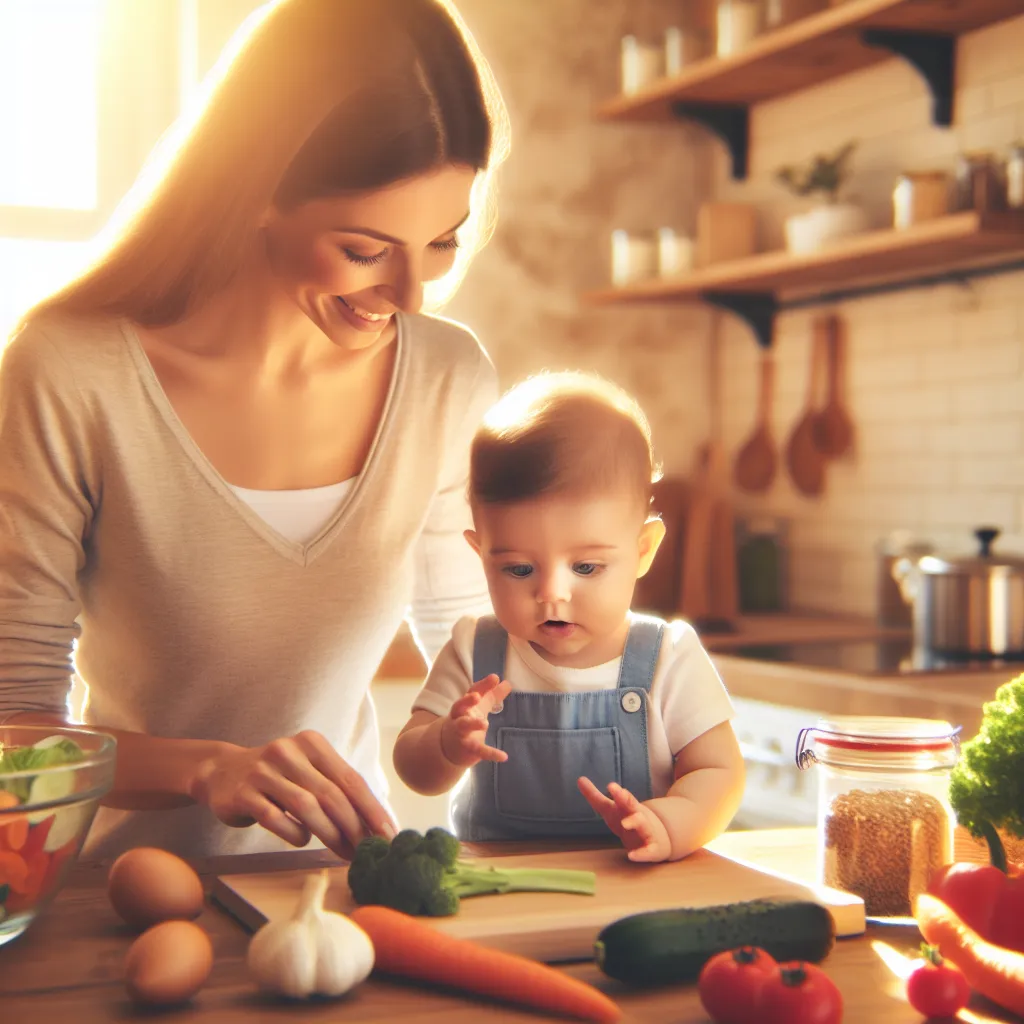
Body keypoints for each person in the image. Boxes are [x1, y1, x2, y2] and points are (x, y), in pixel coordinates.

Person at [0, 0, 511, 860]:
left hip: (339, 905)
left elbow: (473, 652)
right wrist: (207, 769)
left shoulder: (447, 378)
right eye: (364, 249)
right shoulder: (69, 368)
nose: (412, 298)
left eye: (443, 243)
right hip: (117, 905)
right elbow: (16, 736)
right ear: (257, 191)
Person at [393, 372, 746, 862]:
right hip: (500, 891)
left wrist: (668, 823)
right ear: (481, 554)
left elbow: (720, 773)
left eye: (585, 567)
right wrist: (445, 745)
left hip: (635, 886)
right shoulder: (474, 649)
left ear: (642, 550)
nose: (552, 594)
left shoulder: (668, 657)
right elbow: (412, 763)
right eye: (518, 568)